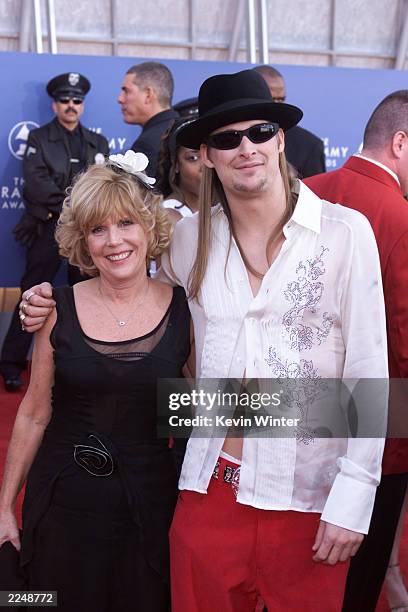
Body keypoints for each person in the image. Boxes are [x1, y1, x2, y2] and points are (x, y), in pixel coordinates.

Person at [18, 69, 388, 612]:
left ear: (281, 139)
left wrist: (355, 497)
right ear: (207, 156)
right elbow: (124, 284)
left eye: (260, 132)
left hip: (310, 499)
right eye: (225, 138)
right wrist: (50, 303)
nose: (246, 147)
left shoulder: (346, 233)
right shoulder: (188, 240)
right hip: (207, 494)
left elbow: (368, 370)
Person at [0, 152, 191, 612]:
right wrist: (5, 506)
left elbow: (196, 411)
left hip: (148, 506)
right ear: (83, 241)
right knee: (45, 601)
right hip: (63, 503)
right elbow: (32, 413)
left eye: (126, 223)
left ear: (148, 227)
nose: (114, 241)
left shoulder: (184, 308)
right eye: (97, 229)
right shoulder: (56, 308)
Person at [305, 90, 408, 612]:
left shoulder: (303, 192)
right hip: (378, 432)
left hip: (288, 415)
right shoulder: (400, 216)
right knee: (355, 579)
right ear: (400, 143)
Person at [0, 72, 109, 393]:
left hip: (87, 233)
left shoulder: (98, 143)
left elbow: (103, 185)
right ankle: (10, 363)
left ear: (83, 106)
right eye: (65, 100)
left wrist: (81, 209)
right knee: (31, 294)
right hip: (49, 228)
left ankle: (84, 363)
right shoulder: (39, 139)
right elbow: (37, 187)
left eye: (77, 100)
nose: (71, 105)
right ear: (55, 104)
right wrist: (80, 203)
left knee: (88, 296)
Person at [253, 64, 326, 178]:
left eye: (281, 99)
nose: (277, 105)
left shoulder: (308, 145)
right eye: (271, 99)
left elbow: (315, 192)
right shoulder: (229, 140)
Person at [117, 62, 179, 178]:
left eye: (126, 91)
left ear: (148, 95)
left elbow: (143, 195)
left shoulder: (147, 144)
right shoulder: (180, 128)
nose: (120, 99)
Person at [156, 116, 203, 221]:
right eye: (193, 158)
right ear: (176, 164)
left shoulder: (225, 209)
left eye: (210, 156)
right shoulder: (166, 217)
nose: (205, 166)